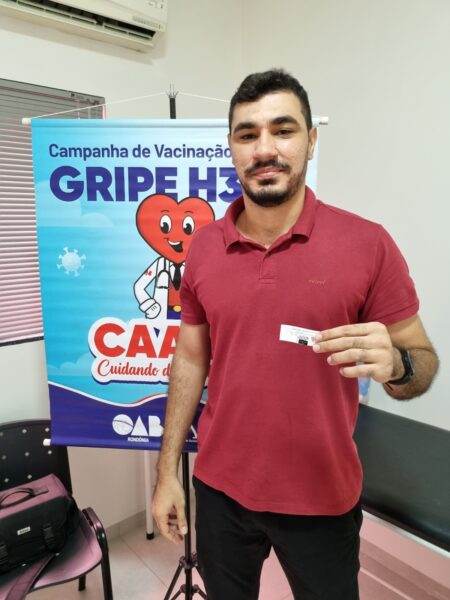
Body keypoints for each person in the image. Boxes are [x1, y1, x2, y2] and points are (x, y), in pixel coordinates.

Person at [152, 69, 439, 600]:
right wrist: (167, 470)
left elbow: (421, 362)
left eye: (283, 130)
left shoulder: (368, 244)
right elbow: (190, 359)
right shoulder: (204, 248)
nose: (265, 149)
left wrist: (398, 365)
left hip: (322, 500)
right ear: (231, 147)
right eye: (247, 134)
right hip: (219, 492)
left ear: (311, 139)